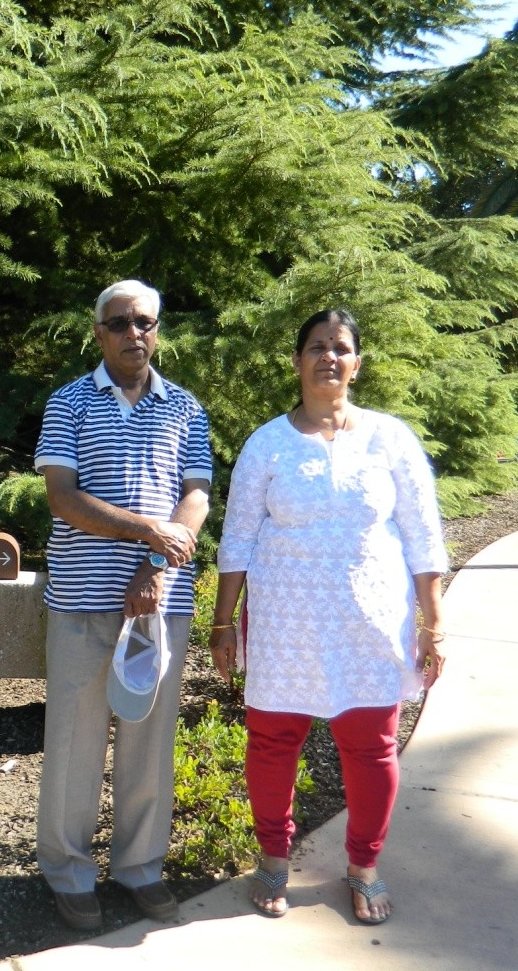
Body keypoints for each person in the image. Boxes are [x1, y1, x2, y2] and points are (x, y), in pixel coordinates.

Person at [210, 308, 447, 926]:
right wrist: (222, 624)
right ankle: (273, 860)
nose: (328, 358)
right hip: (284, 624)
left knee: (371, 748)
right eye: (316, 347)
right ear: (297, 361)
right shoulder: (267, 443)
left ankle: (364, 866)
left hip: (369, 622)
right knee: (272, 743)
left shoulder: (390, 439)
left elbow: (423, 536)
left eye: (340, 348)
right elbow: (235, 541)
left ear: (357, 364)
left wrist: (433, 623)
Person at [33, 279, 212, 930]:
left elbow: (194, 499)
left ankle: (139, 868)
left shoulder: (185, 408)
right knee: (74, 742)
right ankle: (67, 872)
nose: (132, 333)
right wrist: (146, 531)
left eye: (144, 322)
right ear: (97, 332)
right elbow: (64, 499)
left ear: (157, 329)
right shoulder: (68, 403)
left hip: (160, 605)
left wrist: (156, 566)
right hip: (80, 600)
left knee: (147, 739)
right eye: (118, 323)